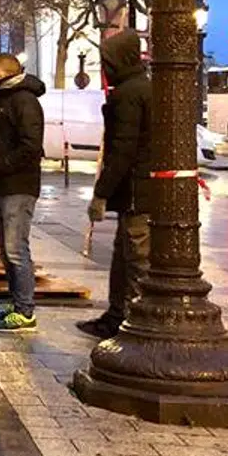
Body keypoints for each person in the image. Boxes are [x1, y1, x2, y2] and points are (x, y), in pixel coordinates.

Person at [79, 28, 152, 339]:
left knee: (135, 259)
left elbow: (122, 150)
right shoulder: (142, 88)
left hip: (137, 191)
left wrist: (101, 195)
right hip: (140, 190)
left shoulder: (128, 95)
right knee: (123, 257)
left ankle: (135, 322)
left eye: (106, 61)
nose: (104, 68)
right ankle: (117, 316)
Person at [0, 54, 45, 334]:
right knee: (9, 250)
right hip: (6, 183)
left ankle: (25, 311)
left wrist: (3, 166)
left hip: (18, 184)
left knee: (16, 248)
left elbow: (31, 145)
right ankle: (18, 304)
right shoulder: (8, 100)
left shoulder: (23, 100)